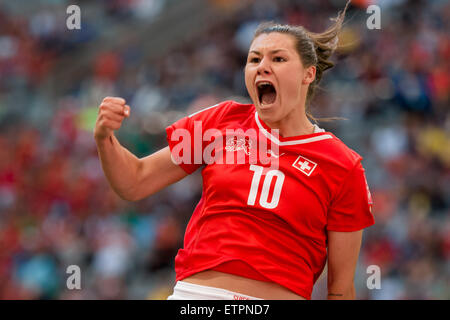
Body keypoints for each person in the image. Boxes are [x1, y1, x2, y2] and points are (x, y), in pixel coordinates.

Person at [94, 1, 374, 300]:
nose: (262, 66)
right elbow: (135, 181)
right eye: (254, 59)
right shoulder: (221, 122)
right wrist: (105, 138)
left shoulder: (343, 165)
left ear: (308, 74)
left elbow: (341, 290)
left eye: (278, 59)